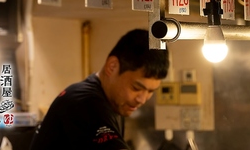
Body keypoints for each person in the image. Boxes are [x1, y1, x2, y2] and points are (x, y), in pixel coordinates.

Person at [29, 29, 169, 149]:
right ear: (112, 66)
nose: (142, 99)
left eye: (151, 91)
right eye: (136, 87)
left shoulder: (115, 103)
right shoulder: (83, 103)